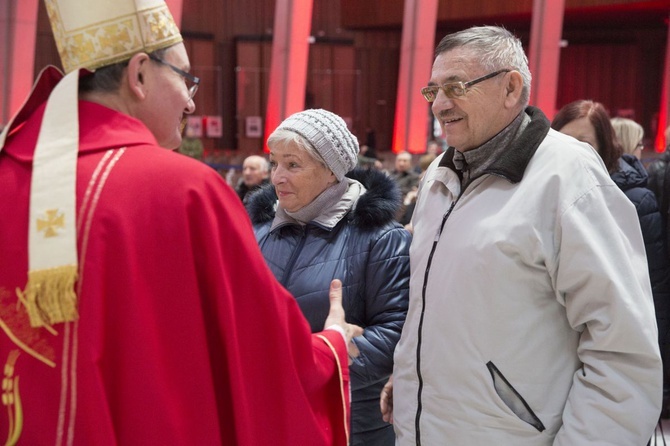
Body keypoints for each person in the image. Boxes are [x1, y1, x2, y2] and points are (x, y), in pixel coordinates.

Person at [0, 0, 362, 444]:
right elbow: (262, 350)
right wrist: (330, 345)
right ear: (138, 75)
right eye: (185, 78)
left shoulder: (10, 175)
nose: (191, 103)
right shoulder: (184, 188)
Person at [382, 25, 662, 445]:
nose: (439, 105)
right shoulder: (440, 175)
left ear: (511, 88)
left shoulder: (569, 179)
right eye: (432, 90)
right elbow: (443, 312)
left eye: (455, 87)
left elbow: (621, 351)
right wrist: (412, 379)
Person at [246, 109, 411, 445]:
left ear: (331, 171)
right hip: (273, 412)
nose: (277, 176)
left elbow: (397, 332)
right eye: (274, 163)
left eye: (293, 165)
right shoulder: (261, 231)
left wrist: (313, 364)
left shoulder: (379, 237)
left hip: (350, 421)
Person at [553, 100, 670, 414]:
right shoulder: (544, 194)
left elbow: (653, 286)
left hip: (612, 348)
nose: (571, 150)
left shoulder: (633, 199)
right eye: (563, 140)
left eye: (584, 142)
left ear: (603, 147)